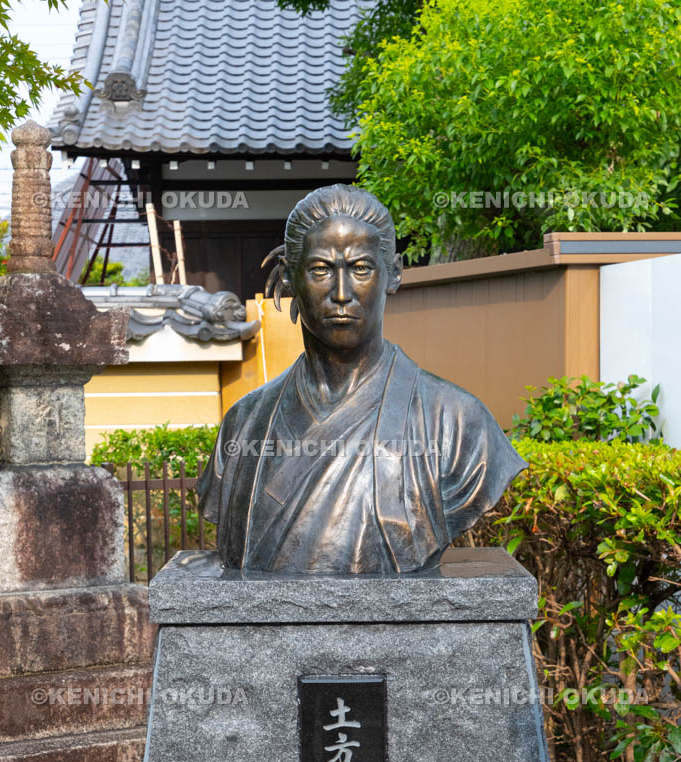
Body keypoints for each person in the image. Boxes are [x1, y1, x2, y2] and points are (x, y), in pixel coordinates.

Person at [197, 184, 525, 574]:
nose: (341, 293)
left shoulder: (458, 422)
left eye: (361, 268)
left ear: (394, 274)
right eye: (321, 269)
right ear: (289, 278)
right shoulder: (245, 422)